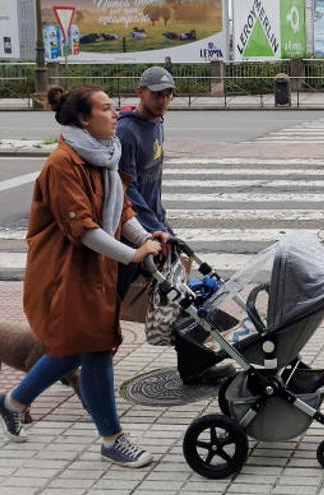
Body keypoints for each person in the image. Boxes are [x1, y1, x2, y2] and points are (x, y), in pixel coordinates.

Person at [0, 85, 163, 468]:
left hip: (95, 269)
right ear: (84, 119)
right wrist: (134, 254)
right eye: (106, 108)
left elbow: (122, 210)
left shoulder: (104, 157)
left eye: (114, 107)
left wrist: (148, 238)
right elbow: (83, 230)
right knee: (95, 346)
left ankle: (12, 402)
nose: (116, 113)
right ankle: (112, 439)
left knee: (72, 348)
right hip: (65, 274)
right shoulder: (63, 164)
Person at [116, 66, 234, 385]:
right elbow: (127, 188)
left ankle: (195, 364)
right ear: (140, 92)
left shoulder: (157, 124)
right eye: (157, 94)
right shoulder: (127, 131)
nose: (164, 100)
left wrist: (164, 222)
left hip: (155, 228)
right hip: (134, 235)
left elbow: (152, 184)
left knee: (177, 296)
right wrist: (153, 228)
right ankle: (66, 359)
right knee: (165, 299)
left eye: (168, 94)